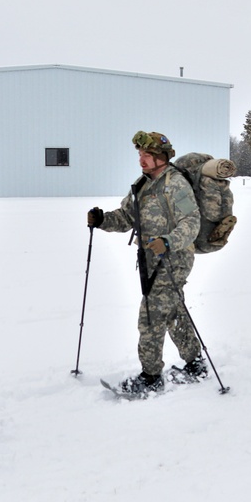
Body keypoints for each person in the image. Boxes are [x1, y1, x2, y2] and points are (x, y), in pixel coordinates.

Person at [87, 131, 206, 396]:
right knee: (173, 312)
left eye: (148, 155)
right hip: (150, 258)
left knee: (151, 315)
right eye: (140, 154)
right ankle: (195, 363)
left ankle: (151, 377)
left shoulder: (176, 184)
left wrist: (168, 241)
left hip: (173, 258)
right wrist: (103, 220)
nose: (142, 159)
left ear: (161, 157)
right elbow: (127, 217)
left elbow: (192, 223)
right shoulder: (142, 184)